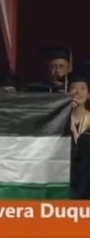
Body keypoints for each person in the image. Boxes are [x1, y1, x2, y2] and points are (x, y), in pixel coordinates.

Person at [69, 64, 90, 199]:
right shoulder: (60, 121)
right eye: (73, 88)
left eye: (82, 88)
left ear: (89, 94)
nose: (77, 92)